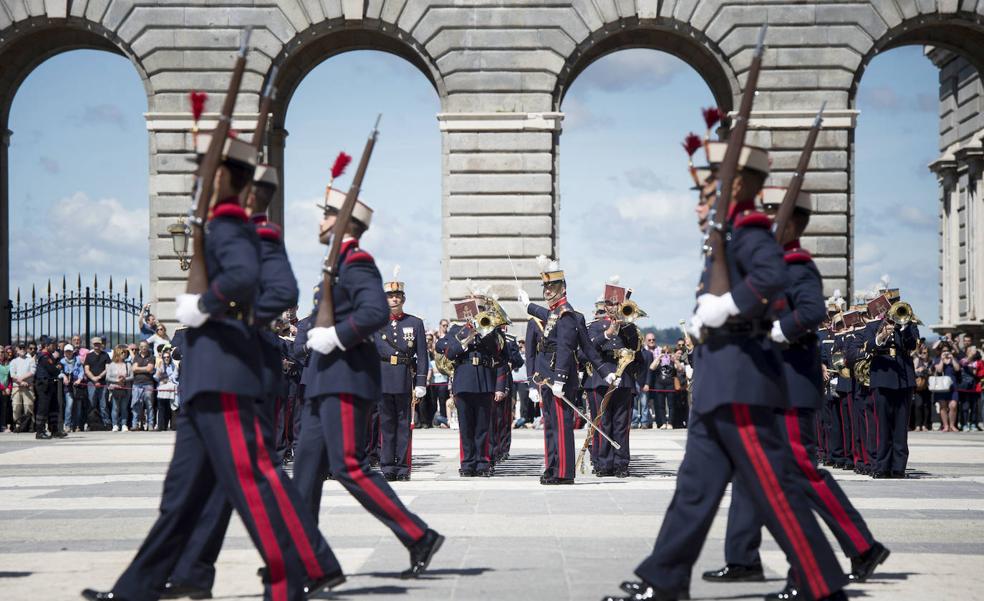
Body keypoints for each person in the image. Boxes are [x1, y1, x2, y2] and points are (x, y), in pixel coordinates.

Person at [83, 133, 338, 601]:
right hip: (206, 377)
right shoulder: (221, 223)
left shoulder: (228, 223)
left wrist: (209, 305)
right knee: (181, 497)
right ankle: (141, 589)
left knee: (254, 483)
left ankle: (296, 576)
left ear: (224, 176)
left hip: (223, 374)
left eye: (205, 167)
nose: (198, 175)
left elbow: (251, 282)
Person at [605, 137, 848, 601]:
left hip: (742, 382)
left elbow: (773, 276)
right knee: (694, 488)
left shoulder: (752, 231)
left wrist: (728, 306)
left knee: (775, 490)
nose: (700, 202)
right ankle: (665, 582)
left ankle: (822, 585)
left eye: (707, 191)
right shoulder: (728, 235)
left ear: (735, 186)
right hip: (721, 377)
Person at [705, 188, 889, 598]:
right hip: (763, 385)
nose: (766, 223)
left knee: (798, 471)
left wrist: (778, 330)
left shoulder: (797, 265)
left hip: (790, 386)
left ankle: (856, 549)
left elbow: (812, 311)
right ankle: (742, 557)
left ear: (792, 223)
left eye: (773, 215)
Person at [299, 184, 444, 579]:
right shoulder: (334, 264)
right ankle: (311, 563)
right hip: (321, 381)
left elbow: (375, 310)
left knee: (349, 466)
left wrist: (337, 336)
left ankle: (418, 535)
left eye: (328, 214)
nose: (321, 221)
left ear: (344, 222)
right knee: (306, 475)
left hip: (345, 380)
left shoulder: (357, 262)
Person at [517, 257, 615, 485]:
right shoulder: (556, 312)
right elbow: (589, 347)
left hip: (558, 379)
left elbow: (565, 347)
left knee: (561, 427)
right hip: (548, 378)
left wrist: (560, 379)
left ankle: (563, 471)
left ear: (563, 288)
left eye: (552, 287)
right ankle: (552, 467)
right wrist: (528, 304)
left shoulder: (566, 314)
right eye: (546, 287)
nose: (548, 291)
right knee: (550, 426)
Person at [435, 296, 508, 477]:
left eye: (481, 308)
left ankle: (483, 463)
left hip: (484, 380)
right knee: (466, 427)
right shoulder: (456, 329)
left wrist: (486, 331)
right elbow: (451, 352)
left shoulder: (491, 330)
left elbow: (501, 355)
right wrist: (467, 333)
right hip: (464, 380)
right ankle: (467, 463)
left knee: (483, 426)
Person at [373, 267, 428, 481]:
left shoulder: (415, 323)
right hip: (383, 377)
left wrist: (421, 381)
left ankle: (403, 467)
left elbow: (422, 355)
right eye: (390, 296)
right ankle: (387, 466)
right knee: (386, 424)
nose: (394, 299)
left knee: (404, 424)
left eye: (397, 296)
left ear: (403, 299)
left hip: (404, 377)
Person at [585, 280, 642, 477]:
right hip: (600, 379)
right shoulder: (594, 326)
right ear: (604, 305)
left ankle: (621, 464)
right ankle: (603, 463)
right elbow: (587, 351)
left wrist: (624, 325)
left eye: (615, 303)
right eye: (609, 303)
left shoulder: (630, 326)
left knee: (621, 425)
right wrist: (608, 333)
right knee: (602, 423)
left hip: (623, 380)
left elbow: (635, 347)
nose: (612, 307)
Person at [863, 291, 919, 478]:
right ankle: (882, 466)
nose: (893, 306)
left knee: (901, 424)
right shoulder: (874, 325)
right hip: (882, 377)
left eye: (895, 302)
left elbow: (912, 345)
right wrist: (881, 336)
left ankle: (898, 467)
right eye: (890, 303)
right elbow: (868, 346)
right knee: (883, 425)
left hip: (903, 378)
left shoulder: (909, 323)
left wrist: (903, 327)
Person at [83, 337, 111, 429]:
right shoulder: (89, 356)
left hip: (103, 382)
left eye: (98, 344)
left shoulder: (105, 355)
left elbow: (107, 368)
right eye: (95, 344)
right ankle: (89, 423)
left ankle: (107, 423)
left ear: (101, 344)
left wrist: (99, 377)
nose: (96, 346)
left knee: (103, 404)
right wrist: (93, 378)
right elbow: (86, 370)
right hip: (91, 382)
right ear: (92, 344)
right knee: (91, 403)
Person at [130, 341, 156, 431]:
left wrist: (138, 369)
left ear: (148, 347)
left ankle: (150, 425)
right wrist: (145, 369)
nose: (143, 348)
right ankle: (135, 425)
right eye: (141, 346)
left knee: (149, 405)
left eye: (145, 346)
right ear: (139, 347)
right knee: (136, 405)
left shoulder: (152, 357)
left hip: (148, 383)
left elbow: (150, 369)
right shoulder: (136, 356)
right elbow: (134, 369)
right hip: (137, 384)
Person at [9, 344, 36, 433]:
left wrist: (21, 379)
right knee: (16, 406)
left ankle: (29, 426)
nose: (22, 349)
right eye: (20, 348)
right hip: (17, 387)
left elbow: (32, 372)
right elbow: (12, 375)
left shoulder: (31, 360)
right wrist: (21, 382)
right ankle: (17, 425)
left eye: (24, 348)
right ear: (17, 350)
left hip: (28, 387)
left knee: (28, 406)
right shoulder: (13, 361)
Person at [60, 344, 85, 432]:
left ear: (72, 352)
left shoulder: (77, 360)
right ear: (64, 352)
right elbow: (59, 372)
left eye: (70, 351)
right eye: (67, 351)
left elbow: (82, 371)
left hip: (77, 386)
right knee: (69, 405)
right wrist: (64, 376)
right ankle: (67, 425)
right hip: (68, 386)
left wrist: (79, 379)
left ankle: (77, 425)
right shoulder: (62, 361)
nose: (68, 353)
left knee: (78, 407)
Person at [106, 345, 131, 432]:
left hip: (125, 388)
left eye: (125, 352)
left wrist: (124, 379)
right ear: (117, 353)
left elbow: (131, 376)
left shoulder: (128, 364)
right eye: (122, 352)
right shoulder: (111, 365)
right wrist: (117, 380)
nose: (124, 354)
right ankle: (115, 424)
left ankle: (124, 424)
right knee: (115, 407)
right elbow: (108, 377)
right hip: (115, 388)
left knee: (124, 407)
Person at [154, 346, 179, 431]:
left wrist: (166, 379)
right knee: (161, 408)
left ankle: (173, 426)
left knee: (171, 408)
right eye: (164, 357)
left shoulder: (174, 366)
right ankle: (161, 426)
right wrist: (159, 374)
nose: (166, 359)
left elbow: (175, 376)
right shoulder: (160, 366)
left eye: (168, 357)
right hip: (162, 389)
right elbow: (156, 377)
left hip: (171, 389)